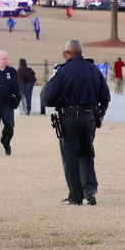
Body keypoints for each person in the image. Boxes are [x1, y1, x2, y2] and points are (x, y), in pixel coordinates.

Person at [41, 38, 111, 206]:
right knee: (87, 153)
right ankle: (90, 190)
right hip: (89, 118)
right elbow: (105, 96)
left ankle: (75, 195)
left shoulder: (63, 71)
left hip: (69, 118)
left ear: (67, 53)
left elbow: (46, 98)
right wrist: (99, 115)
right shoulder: (94, 70)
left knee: (70, 157)